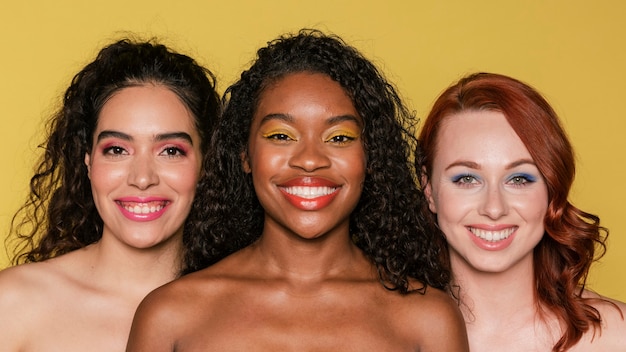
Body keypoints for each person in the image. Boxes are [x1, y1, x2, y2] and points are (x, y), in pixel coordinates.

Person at [126, 29, 468, 351]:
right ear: (245, 154)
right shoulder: (169, 316)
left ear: (370, 157)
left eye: (339, 138)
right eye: (281, 135)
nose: (309, 160)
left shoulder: (429, 321)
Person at [0, 38, 220, 351]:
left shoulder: (240, 309)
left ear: (204, 163)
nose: (142, 178)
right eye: (117, 149)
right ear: (88, 162)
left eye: (171, 151)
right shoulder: (13, 304)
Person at [417, 72, 626, 351]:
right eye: (466, 179)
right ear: (428, 189)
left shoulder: (617, 335)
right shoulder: (383, 335)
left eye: (519, 179)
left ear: (552, 189)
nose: (494, 208)